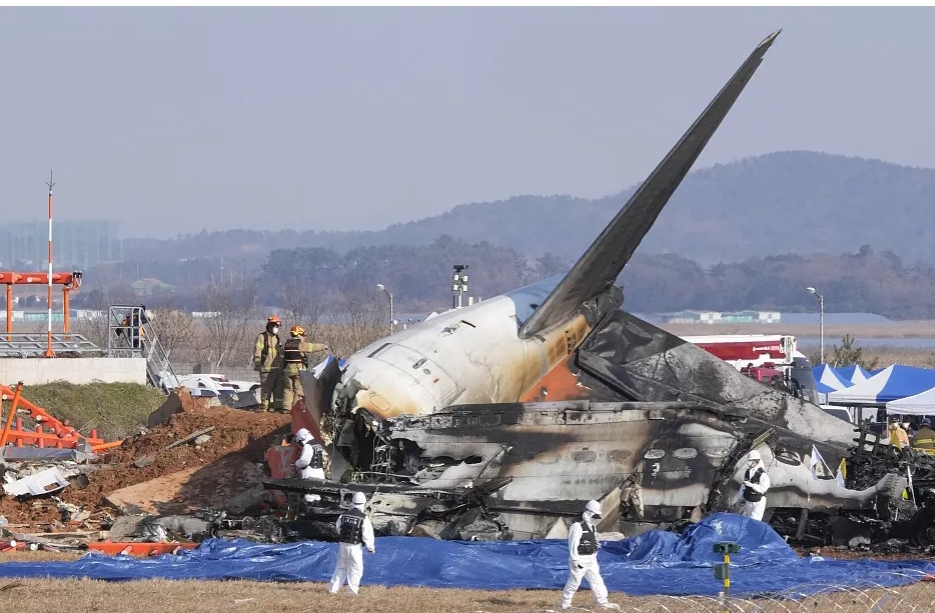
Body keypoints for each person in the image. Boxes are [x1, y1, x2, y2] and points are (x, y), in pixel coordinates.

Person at [559, 500, 619, 610]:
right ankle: (565, 604)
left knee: (597, 580)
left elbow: (592, 539)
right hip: (580, 559)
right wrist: (575, 559)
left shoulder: (591, 526)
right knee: (574, 582)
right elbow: (573, 543)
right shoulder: (577, 526)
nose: (594, 517)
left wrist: (594, 546)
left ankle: (603, 602)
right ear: (588, 512)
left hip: (591, 558)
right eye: (593, 514)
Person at [329, 491, 375, 595]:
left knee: (341, 567)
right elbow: (367, 534)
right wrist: (370, 547)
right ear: (363, 503)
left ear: (352, 502)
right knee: (356, 569)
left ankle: (333, 590)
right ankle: (352, 592)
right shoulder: (363, 518)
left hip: (343, 545)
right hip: (355, 546)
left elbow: (338, 528)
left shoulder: (343, 516)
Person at [281, 325, 329, 413]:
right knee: (298, 390)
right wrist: (323, 346)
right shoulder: (300, 344)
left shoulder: (286, 344)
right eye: (303, 335)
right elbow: (312, 347)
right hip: (297, 371)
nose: (304, 337)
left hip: (287, 371)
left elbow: (282, 355)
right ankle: (296, 409)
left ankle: (286, 408)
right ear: (298, 335)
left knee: (288, 389)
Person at [253, 315, 283, 412]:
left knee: (278, 390)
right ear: (270, 326)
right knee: (266, 389)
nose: (276, 329)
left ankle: (277, 408)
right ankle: (264, 408)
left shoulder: (277, 338)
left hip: (277, 369)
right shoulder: (262, 337)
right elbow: (257, 351)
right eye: (275, 326)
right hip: (266, 369)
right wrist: (258, 364)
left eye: (278, 327)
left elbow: (280, 352)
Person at [294, 427, 327, 503]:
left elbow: (304, 461)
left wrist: (296, 463)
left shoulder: (308, 446)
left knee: (309, 496)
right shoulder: (317, 444)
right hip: (320, 472)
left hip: (310, 473)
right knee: (317, 495)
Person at [738, 450, 770, 522]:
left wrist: (752, 485)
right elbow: (743, 486)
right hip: (749, 500)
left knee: (755, 521)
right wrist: (739, 498)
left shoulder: (762, 475)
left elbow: (763, 489)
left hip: (758, 502)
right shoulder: (747, 472)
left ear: (756, 461)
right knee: (748, 518)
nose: (749, 463)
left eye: (751, 461)